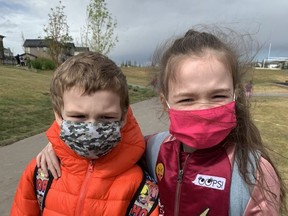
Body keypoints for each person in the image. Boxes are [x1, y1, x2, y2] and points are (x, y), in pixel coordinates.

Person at [36, 29, 287, 215]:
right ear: (165, 102)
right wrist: (57, 146)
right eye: (187, 99)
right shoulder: (154, 149)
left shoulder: (253, 172)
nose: (202, 109)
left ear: (235, 96)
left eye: (218, 95)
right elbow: (108, 143)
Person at [10, 52, 159, 215]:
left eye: (106, 117)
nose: (92, 129)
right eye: (78, 116)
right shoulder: (41, 173)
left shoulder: (141, 189)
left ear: (123, 117)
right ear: (58, 116)